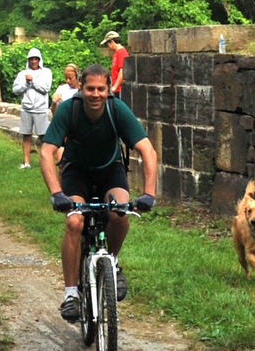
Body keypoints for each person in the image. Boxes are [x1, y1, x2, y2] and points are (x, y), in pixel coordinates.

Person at [40, 64, 158, 322]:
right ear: (81, 88)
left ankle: (112, 263)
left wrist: (149, 194)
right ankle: (71, 293)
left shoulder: (118, 110)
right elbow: (47, 151)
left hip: (110, 172)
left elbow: (148, 151)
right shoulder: (68, 110)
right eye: (90, 89)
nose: (95, 94)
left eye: (101, 89)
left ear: (109, 90)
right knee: (74, 221)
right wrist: (56, 193)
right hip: (76, 174)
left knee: (120, 213)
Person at [12, 47, 52, 169]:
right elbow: (15, 90)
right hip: (26, 108)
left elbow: (46, 88)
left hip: (40, 108)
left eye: (36, 59)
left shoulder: (46, 72)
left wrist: (33, 82)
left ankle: (44, 160)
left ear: (39, 60)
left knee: (43, 136)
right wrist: (26, 84)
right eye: (31, 59)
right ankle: (26, 162)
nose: (34, 61)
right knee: (26, 135)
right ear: (28, 60)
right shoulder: (22, 74)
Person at [50, 64, 80, 162]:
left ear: (77, 76)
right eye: (66, 78)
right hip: (64, 127)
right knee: (62, 159)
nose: (68, 81)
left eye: (70, 78)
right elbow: (54, 113)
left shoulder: (82, 90)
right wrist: (54, 103)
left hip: (77, 128)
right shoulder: (61, 89)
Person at [100, 31, 129, 97]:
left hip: (120, 89)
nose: (108, 46)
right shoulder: (116, 53)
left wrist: (115, 86)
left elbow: (122, 70)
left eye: (108, 43)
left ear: (112, 41)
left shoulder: (122, 52)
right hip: (116, 88)